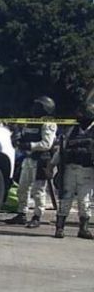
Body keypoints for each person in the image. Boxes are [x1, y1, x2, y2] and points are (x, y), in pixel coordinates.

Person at [6, 96, 58, 228]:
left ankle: (37, 216)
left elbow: (47, 143)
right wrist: (17, 140)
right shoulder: (31, 122)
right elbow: (23, 136)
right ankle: (22, 213)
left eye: (38, 107)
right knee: (22, 188)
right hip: (28, 159)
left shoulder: (49, 124)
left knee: (38, 191)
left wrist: (30, 145)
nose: (34, 109)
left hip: (41, 160)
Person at [54, 102, 94, 239]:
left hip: (87, 171)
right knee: (65, 198)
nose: (78, 116)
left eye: (81, 114)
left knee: (85, 201)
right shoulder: (72, 130)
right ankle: (59, 228)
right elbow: (61, 149)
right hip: (69, 169)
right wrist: (51, 165)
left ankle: (84, 229)